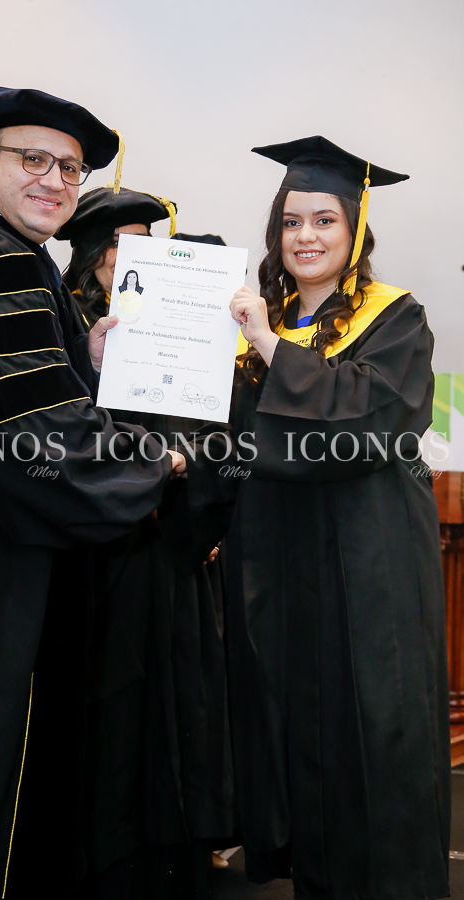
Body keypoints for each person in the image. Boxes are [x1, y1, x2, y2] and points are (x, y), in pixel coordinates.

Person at [0, 86, 186, 900]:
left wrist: (83, 358)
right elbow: (29, 436)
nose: (54, 179)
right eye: (33, 158)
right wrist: (154, 462)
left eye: (71, 168)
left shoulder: (9, 258)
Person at [220, 135, 451, 899]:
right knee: (295, 724)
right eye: (291, 222)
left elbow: (370, 421)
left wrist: (267, 344)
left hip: (369, 558)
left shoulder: (397, 319)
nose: (306, 237)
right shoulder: (262, 324)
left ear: (354, 232)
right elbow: (230, 438)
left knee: (375, 727)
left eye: (324, 220)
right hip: (280, 561)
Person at [56, 187, 235, 897]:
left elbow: (214, 434)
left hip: (170, 551)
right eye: (113, 246)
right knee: (107, 709)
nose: (127, 257)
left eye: (140, 244)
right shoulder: (65, 326)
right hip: (95, 556)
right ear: (90, 258)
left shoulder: (179, 328)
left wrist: (200, 514)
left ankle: (177, 850)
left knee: (177, 706)